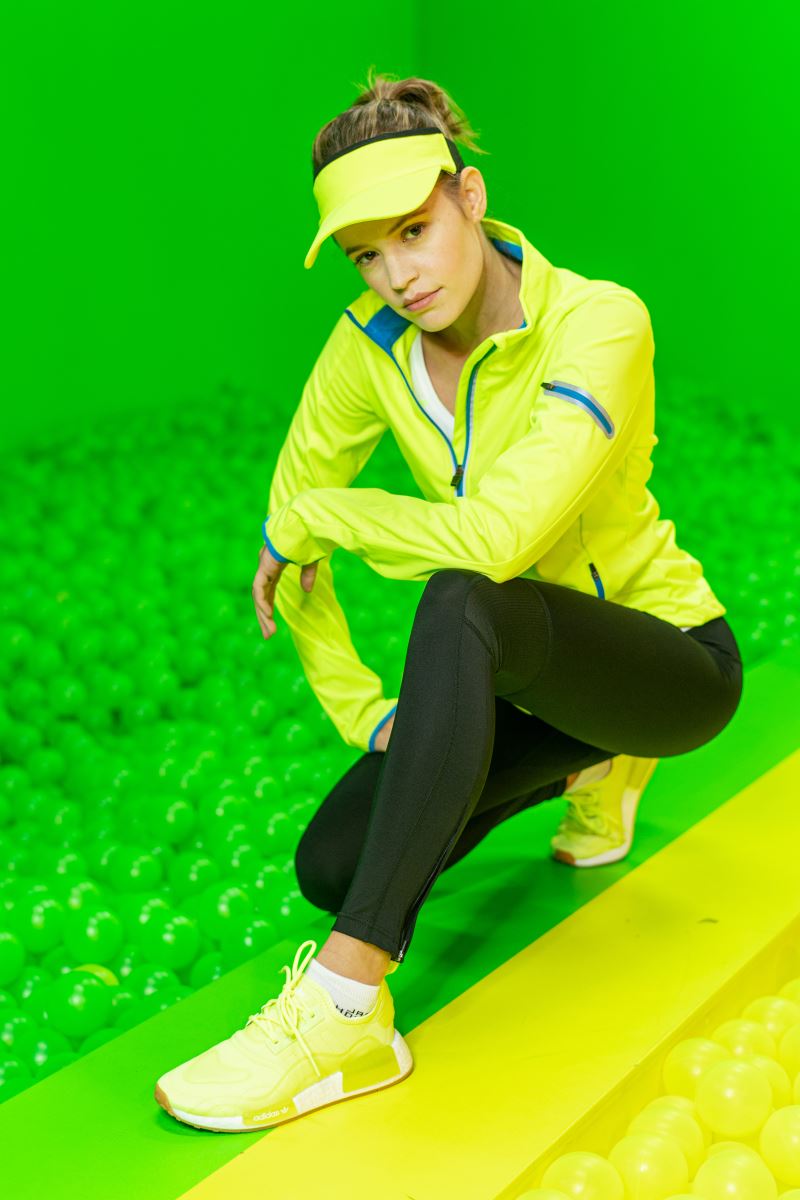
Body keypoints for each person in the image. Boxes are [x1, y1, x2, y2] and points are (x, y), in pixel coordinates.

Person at [155, 68, 743, 1132]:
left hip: (667, 665)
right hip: (524, 675)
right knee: (333, 862)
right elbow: (287, 533)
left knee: (466, 596)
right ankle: (591, 766)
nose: (396, 275)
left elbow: (491, 538)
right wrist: (363, 710)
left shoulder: (599, 322)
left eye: (414, 232)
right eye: (365, 254)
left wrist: (329, 517)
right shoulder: (366, 348)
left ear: (469, 197)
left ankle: (347, 1008)